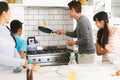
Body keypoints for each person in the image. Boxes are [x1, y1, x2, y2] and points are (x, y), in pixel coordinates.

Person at [0, 2, 27, 70]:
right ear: (4, 13)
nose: (10, 15)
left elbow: (13, 49)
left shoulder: (6, 29)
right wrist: (21, 62)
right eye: (9, 12)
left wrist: (22, 60)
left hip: (10, 72)